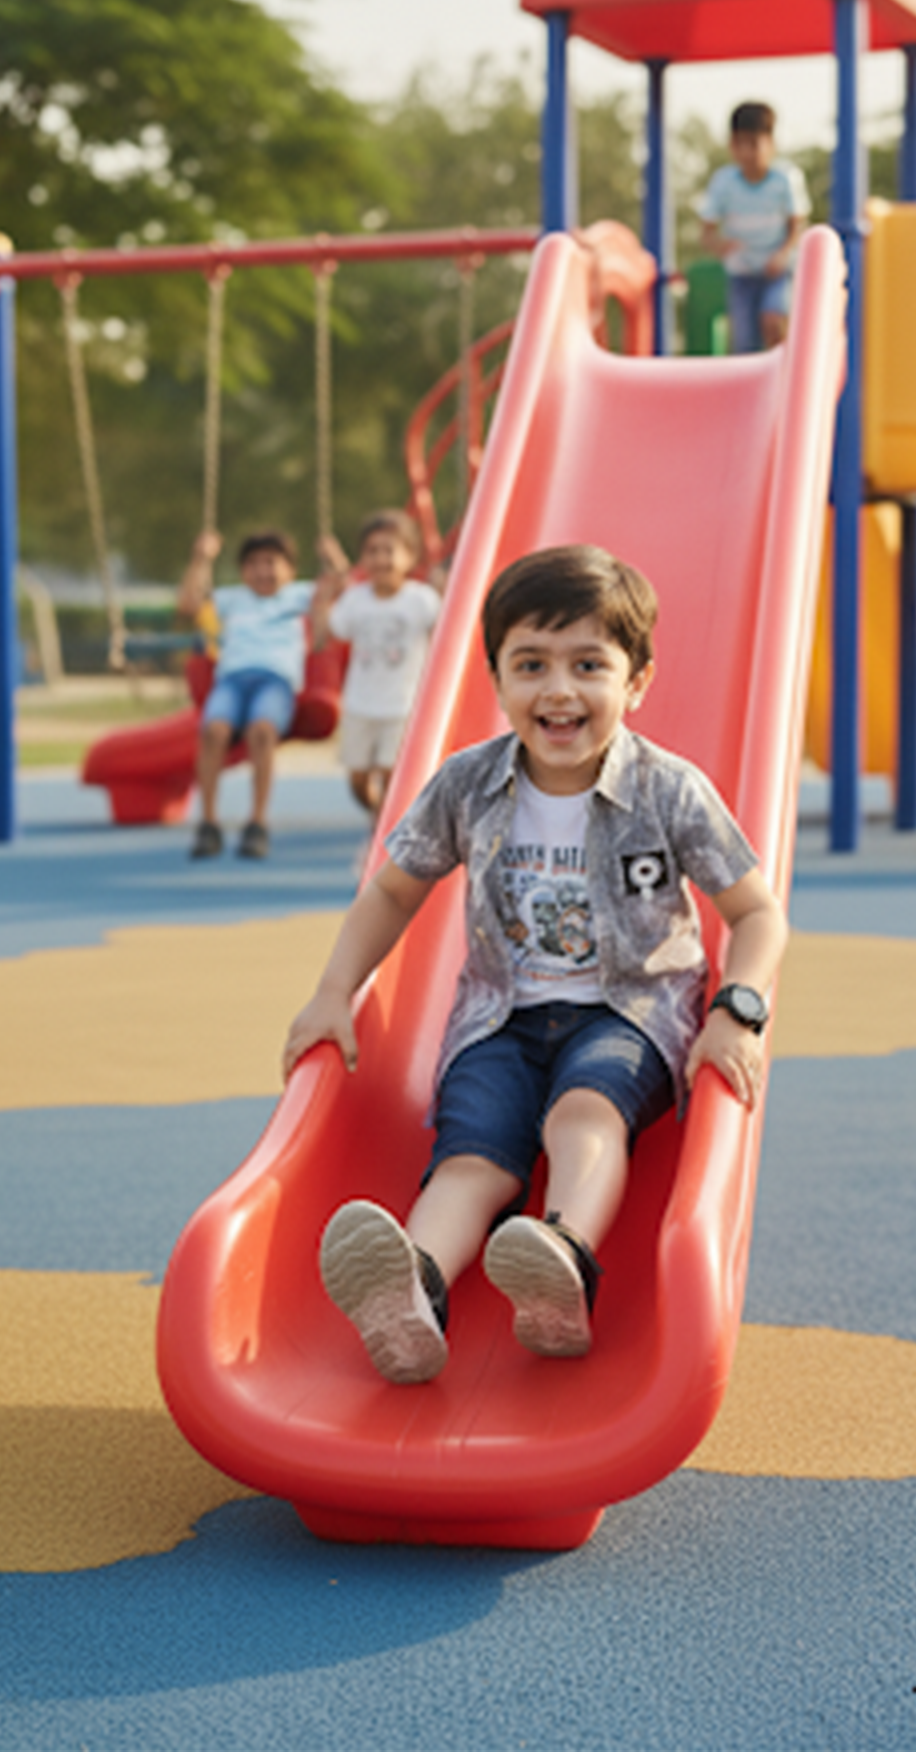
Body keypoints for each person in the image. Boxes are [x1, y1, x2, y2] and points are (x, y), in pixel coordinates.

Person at [281, 544, 788, 1386]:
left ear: (637, 681)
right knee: (472, 1156)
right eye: (531, 665)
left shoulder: (669, 790)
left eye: (588, 665)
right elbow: (393, 892)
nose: (558, 690)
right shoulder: (468, 784)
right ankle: (415, 1289)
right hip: (500, 1017)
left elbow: (757, 913)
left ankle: (564, 1258)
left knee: (584, 1114)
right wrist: (334, 992)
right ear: (497, 679)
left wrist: (737, 1009)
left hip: (630, 1011)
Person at [177, 527, 338, 861]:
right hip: (232, 681)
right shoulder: (231, 599)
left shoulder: (301, 595)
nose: (263, 571)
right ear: (242, 571)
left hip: (275, 682)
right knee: (213, 731)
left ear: (290, 570)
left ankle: (257, 822)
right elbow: (188, 603)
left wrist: (332, 556)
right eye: (253, 564)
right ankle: (208, 822)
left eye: (271, 562)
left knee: (261, 731)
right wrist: (200, 559)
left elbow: (346, 586)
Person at [316, 508, 443, 827]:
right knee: (358, 780)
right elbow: (329, 632)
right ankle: (380, 817)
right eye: (372, 551)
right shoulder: (355, 599)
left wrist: (446, 589)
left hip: (403, 704)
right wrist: (324, 598)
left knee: (391, 774)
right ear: (362, 558)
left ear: (410, 557)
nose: (381, 559)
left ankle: (386, 831)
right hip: (360, 704)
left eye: (389, 551)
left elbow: (444, 636)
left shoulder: (422, 599)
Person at [696, 101, 810, 354]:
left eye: (754, 144)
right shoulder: (724, 181)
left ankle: (783, 369)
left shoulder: (785, 179)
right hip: (742, 272)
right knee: (744, 341)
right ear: (731, 145)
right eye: (740, 144)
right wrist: (719, 246)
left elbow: (796, 226)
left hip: (777, 271)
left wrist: (782, 254)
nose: (747, 153)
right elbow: (706, 232)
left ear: (771, 143)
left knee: (773, 320)